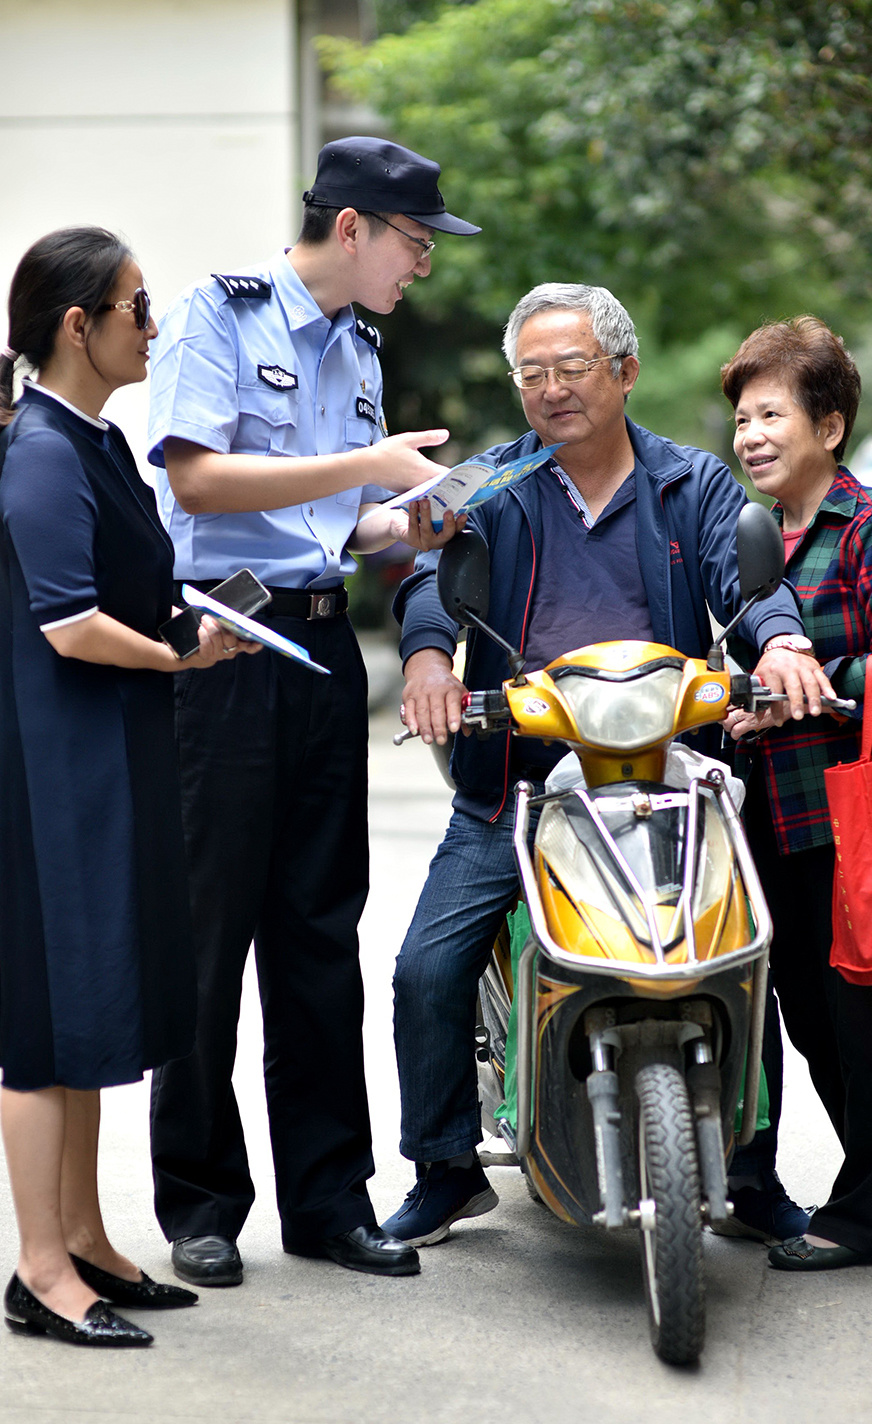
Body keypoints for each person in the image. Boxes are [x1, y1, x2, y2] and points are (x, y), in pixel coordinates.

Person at [382, 282, 832, 1247]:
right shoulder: (490, 484)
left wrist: (784, 645)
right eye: (532, 374)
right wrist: (428, 657)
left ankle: (752, 1171)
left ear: (623, 373)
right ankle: (446, 1162)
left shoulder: (694, 485)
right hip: (523, 779)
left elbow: (747, 584)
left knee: (740, 951)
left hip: (672, 776)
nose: (550, 390)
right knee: (427, 967)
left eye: (572, 369)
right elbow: (427, 573)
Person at [146, 136, 480, 1287]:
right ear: (351, 229)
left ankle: (329, 1198)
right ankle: (199, 1200)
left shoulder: (358, 349)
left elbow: (346, 527)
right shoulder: (216, 315)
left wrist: (416, 515)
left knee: (318, 932)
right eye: (413, 242)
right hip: (225, 645)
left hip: (324, 642)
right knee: (206, 935)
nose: (420, 266)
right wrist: (364, 467)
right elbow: (194, 479)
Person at [0, 228, 252, 1348]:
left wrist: (189, 620)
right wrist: (180, 655)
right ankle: (40, 1269)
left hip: (110, 756)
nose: (153, 327)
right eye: (138, 309)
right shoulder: (43, 451)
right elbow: (66, 623)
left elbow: (130, 590)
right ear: (77, 327)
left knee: (96, 1008)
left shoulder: (96, 440)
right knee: (43, 1026)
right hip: (57, 773)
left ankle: (92, 1238)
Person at [720, 315, 872, 1270]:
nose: (751, 435)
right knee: (806, 1016)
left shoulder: (871, 525)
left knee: (860, 1019)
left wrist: (809, 687)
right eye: (742, 418)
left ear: (831, 425)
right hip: (768, 814)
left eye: (772, 413)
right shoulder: (747, 538)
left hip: (851, 813)